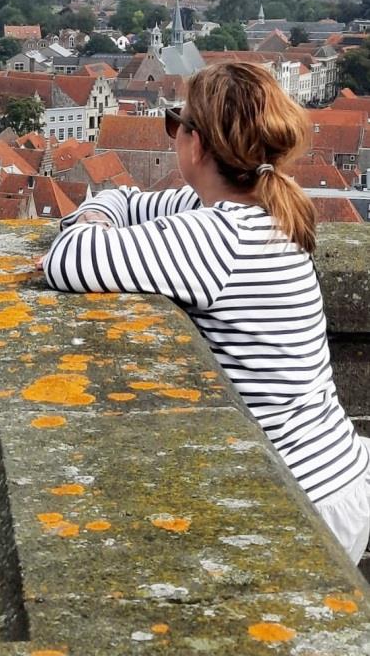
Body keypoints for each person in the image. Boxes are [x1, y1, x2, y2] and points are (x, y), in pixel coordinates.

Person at [41, 61, 370, 563]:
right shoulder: (252, 209)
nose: (172, 132)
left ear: (196, 144)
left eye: (175, 122)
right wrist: (98, 213)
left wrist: (90, 223)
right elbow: (122, 199)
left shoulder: (221, 237)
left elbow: (68, 260)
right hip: (332, 470)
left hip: (302, 497)